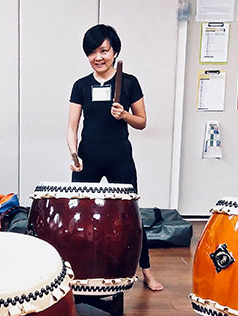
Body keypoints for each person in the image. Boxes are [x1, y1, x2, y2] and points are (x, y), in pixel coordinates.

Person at [66, 24, 163, 292]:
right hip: (87, 156)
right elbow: (72, 127)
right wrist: (74, 154)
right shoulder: (81, 86)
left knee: (131, 214)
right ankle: (77, 268)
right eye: (92, 52)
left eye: (103, 51)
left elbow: (142, 122)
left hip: (120, 156)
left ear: (114, 51)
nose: (98, 57)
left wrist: (125, 116)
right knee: (79, 213)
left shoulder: (128, 82)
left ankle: (146, 271)